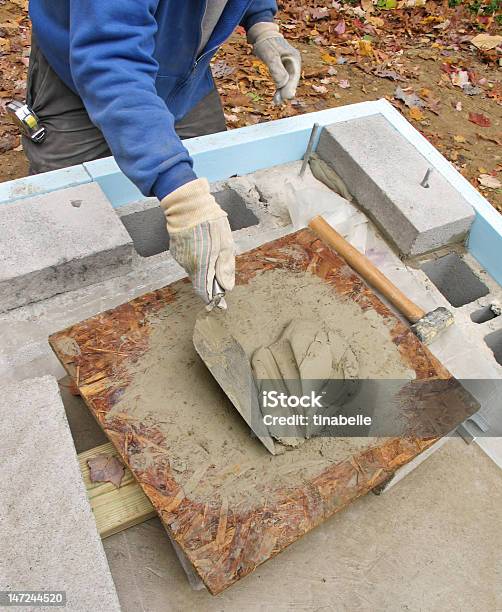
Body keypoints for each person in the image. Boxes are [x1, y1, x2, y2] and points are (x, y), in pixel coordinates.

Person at [25, 1, 301, 307]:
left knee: (214, 183)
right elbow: (111, 60)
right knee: (63, 222)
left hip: (181, 68)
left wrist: (261, 22)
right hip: (84, 62)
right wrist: (180, 195)